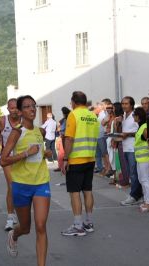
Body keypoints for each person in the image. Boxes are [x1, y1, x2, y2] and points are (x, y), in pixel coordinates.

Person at [0, 95, 51, 266]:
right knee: (26, 228)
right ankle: (14, 235)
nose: (32, 109)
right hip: (21, 184)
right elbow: (3, 160)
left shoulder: (40, 131)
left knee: (41, 226)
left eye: (34, 106)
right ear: (20, 111)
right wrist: (25, 154)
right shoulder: (17, 132)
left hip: (41, 183)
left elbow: (38, 153)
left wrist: (45, 153)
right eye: (27, 106)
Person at [61, 91, 99, 236]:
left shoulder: (73, 114)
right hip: (90, 158)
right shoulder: (92, 115)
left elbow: (69, 139)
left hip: (76, 159)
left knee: (74, 193)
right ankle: (89, 223)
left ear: (73, 102)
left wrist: (65, 159)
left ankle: (78, 226)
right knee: (87, 190)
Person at [0, 98, 21, 230]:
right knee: (12, 186)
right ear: (8, 109)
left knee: (21, 187)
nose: (15, 111)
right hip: (7, 158)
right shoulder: (2, 120)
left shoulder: (25, 121)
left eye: (17, 108)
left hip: (22, 158)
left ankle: (20, 213)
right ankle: (10, 217)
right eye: (12, 108)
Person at [118, 96, 142, 206]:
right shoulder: (123, 116)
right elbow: (122, 132)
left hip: (133, 148)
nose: (124, 106)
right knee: (131, 173)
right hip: (125, 147)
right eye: (122, 103)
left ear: (131, 105)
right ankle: (138, 195)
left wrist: (128, 134)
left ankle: (134, 196)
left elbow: (140, 131)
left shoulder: (134, 116)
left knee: (133, 173)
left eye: (126, 104)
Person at [133, 107, 149, 212]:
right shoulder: (141, 127)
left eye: (134, 115)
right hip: (141, 158)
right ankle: (147, 201)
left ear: (138, 116)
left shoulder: (144, 127)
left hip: (145, 158)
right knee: (143, 180)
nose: (133, 117)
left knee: (145, 180)